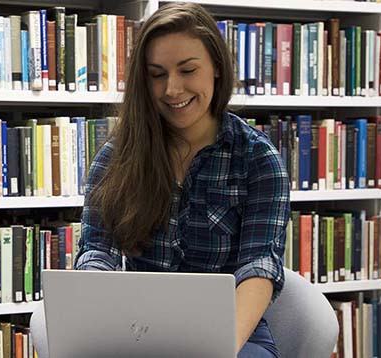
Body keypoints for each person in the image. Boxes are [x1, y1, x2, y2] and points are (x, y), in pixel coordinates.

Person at [74, 2, 290, 357]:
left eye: (187, 70)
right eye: (157, 74)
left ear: (217, 68)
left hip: (231, 334)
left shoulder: (257, 159)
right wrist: (94, 312)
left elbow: (259, 266)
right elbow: (99, 250)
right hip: (137, 330)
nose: (172, 89)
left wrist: (220, 347)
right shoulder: (118, 156)